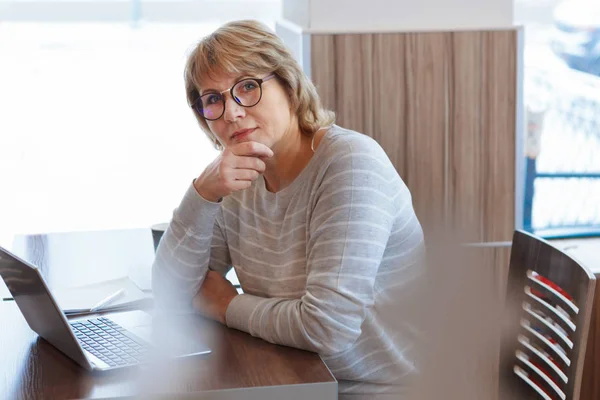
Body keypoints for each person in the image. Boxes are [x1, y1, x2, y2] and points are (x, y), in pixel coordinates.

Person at [152, 19, 425, 399]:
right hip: (290, 378)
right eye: (213, 99)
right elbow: (170, 292)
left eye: (247, 86)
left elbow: (327, 328)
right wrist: (204, 191)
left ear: (290, 85)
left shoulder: (350, 163)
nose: (231, 112)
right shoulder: (240, 174)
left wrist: (227, 304)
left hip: (375, 390)